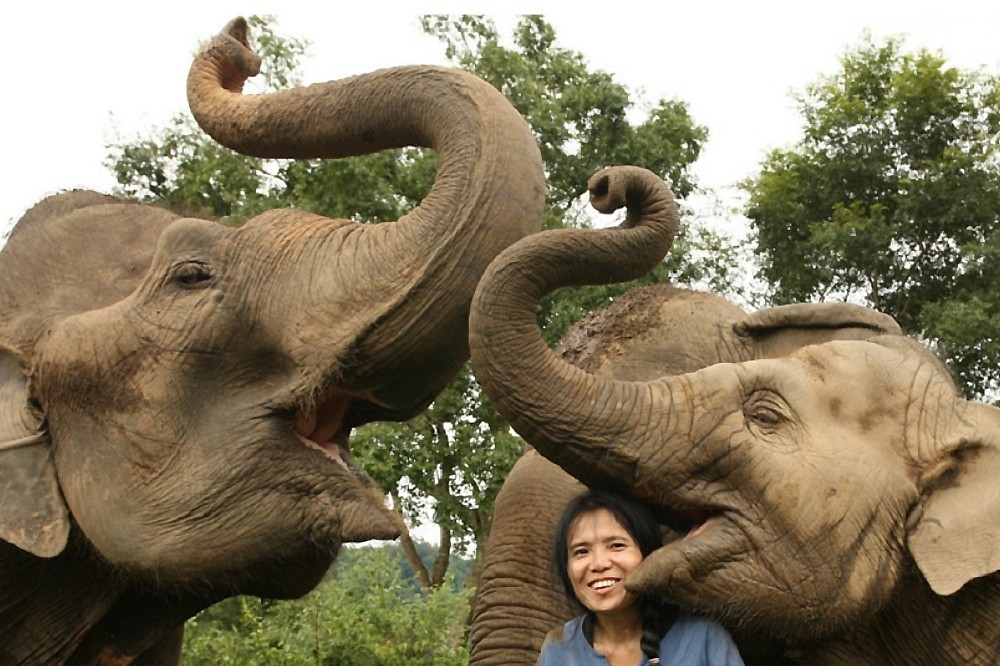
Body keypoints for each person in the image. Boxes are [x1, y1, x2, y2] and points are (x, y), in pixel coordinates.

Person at [537, 489, 744, 666]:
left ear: (649, 555)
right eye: (581, 551)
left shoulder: (703, 639)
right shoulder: (559, 649)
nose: (599, 564)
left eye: (616, 546)